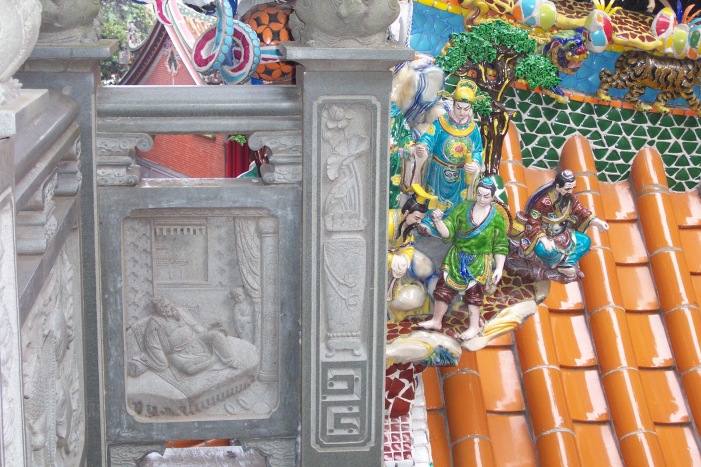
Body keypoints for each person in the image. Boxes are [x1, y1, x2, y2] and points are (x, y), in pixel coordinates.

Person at [418, 178, 508, 340]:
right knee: (444, 288)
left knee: (474, 294)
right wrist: (438, 222)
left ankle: (474, 326)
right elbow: (448, 231)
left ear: (492, 197)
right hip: (456, 256)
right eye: (479, 194)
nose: (481, 199)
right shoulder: (463, 207)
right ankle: (436, 320)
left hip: (479, 260)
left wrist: (500, 268)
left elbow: (500, 245)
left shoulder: (497, 219)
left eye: (486, 196)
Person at [403, 78, 484, 235]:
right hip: (438, 171)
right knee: (434, 197)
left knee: (458, 201)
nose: (462, 112)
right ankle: (429, 222)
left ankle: (453, 224)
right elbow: (429, 137)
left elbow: (478, 150)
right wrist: (423, 147)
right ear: (453, 104)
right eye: (459, 108)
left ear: (470, 108)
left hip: (460, 174)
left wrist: (474, 164)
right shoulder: (441, 122)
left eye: (466, 109)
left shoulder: (473, 129)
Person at [520, 169, 609, 277]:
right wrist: (542, 238)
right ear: (557, 186)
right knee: (542, 249)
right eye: (567, 188)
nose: (570, 191)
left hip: (564, 234)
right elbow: (533, 219)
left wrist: (596, 222)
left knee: (585, 241)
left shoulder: (571, 198)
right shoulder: (544, 201)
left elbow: (580, 210)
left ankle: (567, 264)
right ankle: (560, 262)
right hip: (546, 235)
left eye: (572, 188)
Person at [142, 296, 240, 376]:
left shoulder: (178, 311)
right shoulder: (154, 322)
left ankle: (230, 360)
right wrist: (161, 362)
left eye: (169, 304)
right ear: (160, 310)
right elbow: (152, 344)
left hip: (196, 339)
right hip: (178, 352)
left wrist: (206, 332)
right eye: (166, 306)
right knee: (191, 370)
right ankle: (215, 360)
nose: (170, 307)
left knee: (217, 335)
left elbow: (193, 325)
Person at [387, 185, 437, 300]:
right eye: (416, 218)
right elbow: (375, 249)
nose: (418, 223)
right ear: (406, 213)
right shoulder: (389, 223)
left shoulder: (408, 226)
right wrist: (393, 260)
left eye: (420, 220)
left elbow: (409, 245)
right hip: (387, 261)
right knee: (413, 298)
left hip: (398, 258)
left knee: (424, 265)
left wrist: (405, 258)